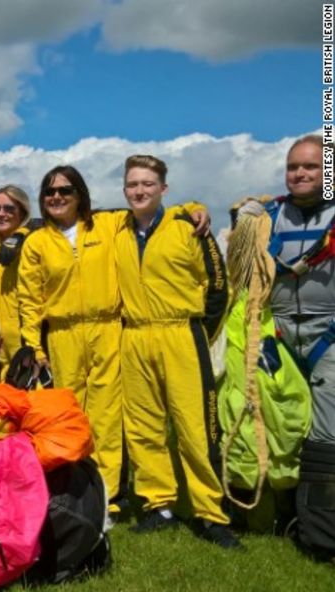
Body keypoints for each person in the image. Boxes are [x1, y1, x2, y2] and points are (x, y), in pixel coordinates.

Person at [17, 165, 209, 512]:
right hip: (63, 333)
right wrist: (34, 345)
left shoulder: (108, 224)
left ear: (80, 196)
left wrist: (192, 207)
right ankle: (72, 492)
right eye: (50, 192)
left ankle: (108, 497)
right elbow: (28, 300)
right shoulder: (37, 242)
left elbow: (154, 209)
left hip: (108, 328)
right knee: (67, 415)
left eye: (65, 191)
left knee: (107, 415)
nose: (57, 197)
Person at [116, 155, 239, 548]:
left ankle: (211, 513)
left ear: (163, 189)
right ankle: (159, 505)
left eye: (148, 184)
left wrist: (201, 334)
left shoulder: (188, 227)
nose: (139, 191)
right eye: (133, 184)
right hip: (134, 335)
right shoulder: (117, 229)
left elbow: (218, 288)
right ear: (124, 189)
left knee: (196, 429)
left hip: (181, 334)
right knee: (143, 428)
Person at [236, 135, 335, 558]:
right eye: (293, 167)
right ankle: (281, 516)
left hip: (327, 333)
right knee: (278, 424)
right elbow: (239, 269)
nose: (299, 174)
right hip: (275, 333)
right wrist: (241, 217)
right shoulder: (267, 216)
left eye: (310, 167)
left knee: (326, 432)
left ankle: (320, 535)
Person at [0, 185, 33, 367]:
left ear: (22, 212)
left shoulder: (32, 243)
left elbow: (48, 222)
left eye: (9, 208)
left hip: (22, 337)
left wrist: (22, 233)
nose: (1, 214)